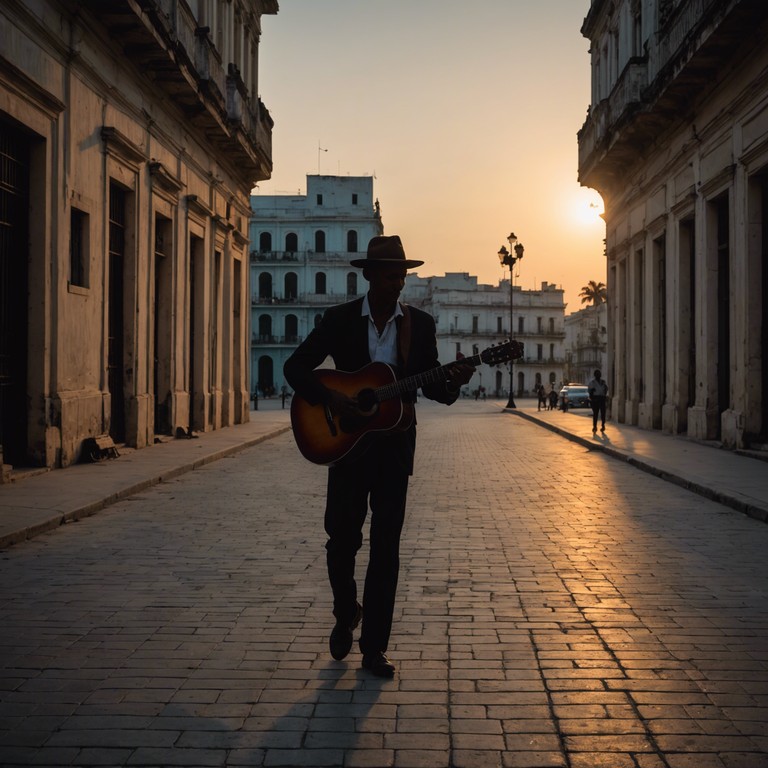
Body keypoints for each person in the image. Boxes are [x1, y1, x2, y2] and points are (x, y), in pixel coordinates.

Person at [283, 235, 475, 678]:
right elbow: (296, 368)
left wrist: (456, 380)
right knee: (341, 542)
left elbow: (433, 390)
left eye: (403, 276)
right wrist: (333, 399)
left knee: (386, 549)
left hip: (393, 449)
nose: (399, 284)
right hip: (346, 447)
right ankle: (346, 609)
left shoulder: (420, 325)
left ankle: (374, 649)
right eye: (391, 276)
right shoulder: (340, 320)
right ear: (368, 275)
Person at [588, 369, 609, 433]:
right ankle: (595, 426)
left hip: (602, 398)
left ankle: (603, 425)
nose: (598, 375)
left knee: (603, 413)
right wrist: (592, 397)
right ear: (595, 375)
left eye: (599, 374)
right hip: (595, 399)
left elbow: (606, 389)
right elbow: (589, 391)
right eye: (597, 374)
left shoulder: (603, 382)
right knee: (595, 414)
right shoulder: (592, 382)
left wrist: (605, 395)